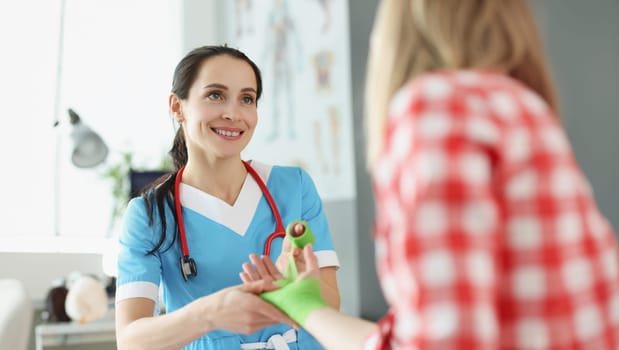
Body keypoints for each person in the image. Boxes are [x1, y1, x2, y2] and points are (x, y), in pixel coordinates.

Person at [241, 0, 619, 349]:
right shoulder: (522, 107)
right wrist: (307, 307)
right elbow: (425, 330)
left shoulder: (439, 108)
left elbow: (447, 340)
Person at [114, 45, 341, 350]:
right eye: (215, 95)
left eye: (247, 99)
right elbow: (131, 341)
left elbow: (330, 305)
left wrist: (299, 285)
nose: (233, 113)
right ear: (177, 107)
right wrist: (211, 313)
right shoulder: (150, 214)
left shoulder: (294, 187)